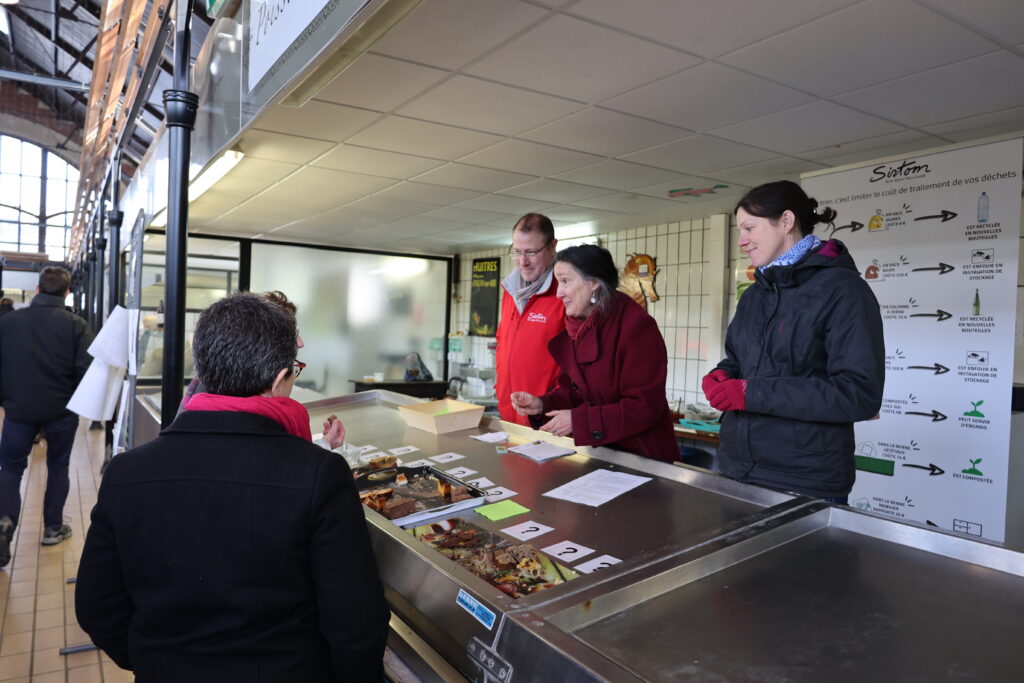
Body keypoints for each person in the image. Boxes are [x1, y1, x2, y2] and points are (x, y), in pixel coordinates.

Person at [75, 292, 389, 681]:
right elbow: (354, 619)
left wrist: (155, 660)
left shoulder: (127, 472)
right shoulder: (318, 474)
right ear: (278, 378)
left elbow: (96, 605)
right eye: (295, 369)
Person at [703, 180, 884, 503]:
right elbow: (737, 361)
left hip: (803, 479)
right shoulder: (755, 294)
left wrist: (750, 393)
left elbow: (858, 393)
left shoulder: (842, 290)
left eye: (749, 228)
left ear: (786, 221)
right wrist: (722, 375)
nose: (741, 241)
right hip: (735, 466)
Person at [511, 245, 677, 461]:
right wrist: (542, 404)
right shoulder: (577, 328)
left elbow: (643, 407)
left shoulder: (636, 327)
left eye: (565, 281)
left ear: (594, 283)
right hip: (602, 455)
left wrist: (579, 422)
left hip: (641, 458)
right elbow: (575, 393)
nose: (559, 293)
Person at [0, 267, 93, 568]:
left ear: (38, 289)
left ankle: (4, 523)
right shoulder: (77, 325)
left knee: (11, 468)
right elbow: (86, 370)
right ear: (67, 293)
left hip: (18, 411)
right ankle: (53, 528)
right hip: (60, 411)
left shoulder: (8, 323)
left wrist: (5, 400)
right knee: (58, 465)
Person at [495, 213, 566, 425]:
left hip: (547, 419)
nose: (522, 262)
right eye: (517, 252)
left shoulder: (564, 293)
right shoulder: (510, 291)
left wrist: (549, 402)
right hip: (509, 416)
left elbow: (577, 366)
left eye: (531, 253)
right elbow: (504, 344)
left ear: (552, 247)